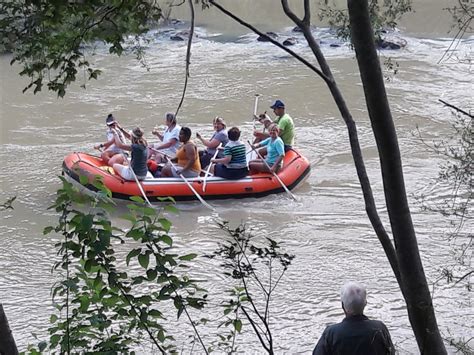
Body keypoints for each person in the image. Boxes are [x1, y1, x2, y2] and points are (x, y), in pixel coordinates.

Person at [313, 282, 395, 355]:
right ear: (365, 304)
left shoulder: (331, 333)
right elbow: (391, 352)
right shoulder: (379, 328)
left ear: (342, 305)